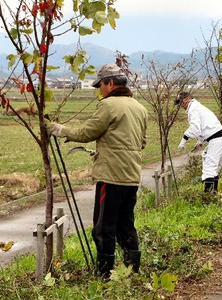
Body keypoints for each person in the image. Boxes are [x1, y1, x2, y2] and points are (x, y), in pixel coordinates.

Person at [49, 63, 148, 277]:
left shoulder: (108, 105)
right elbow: (141, 142)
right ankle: (132, 271)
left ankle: (104, 274)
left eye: (100, 85)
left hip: (111, 176)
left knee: (104, 228)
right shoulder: (140, 108)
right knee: (126, 224)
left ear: (110, 83)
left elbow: (88, 132)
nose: (99, 90)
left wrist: (60, 130)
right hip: (131, 176)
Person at [176, 92, 222, 192]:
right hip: (218, 138)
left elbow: (195, 128)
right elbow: (205, 126)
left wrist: (184, 140)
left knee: (209, 166)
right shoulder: (197, 107)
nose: (181, 105)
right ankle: (214, 192)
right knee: (212, 165)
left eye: (182, 102)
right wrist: (200, 141)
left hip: (216, 139)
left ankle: (208, 195)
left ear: (188, 99)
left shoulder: (193, 110)